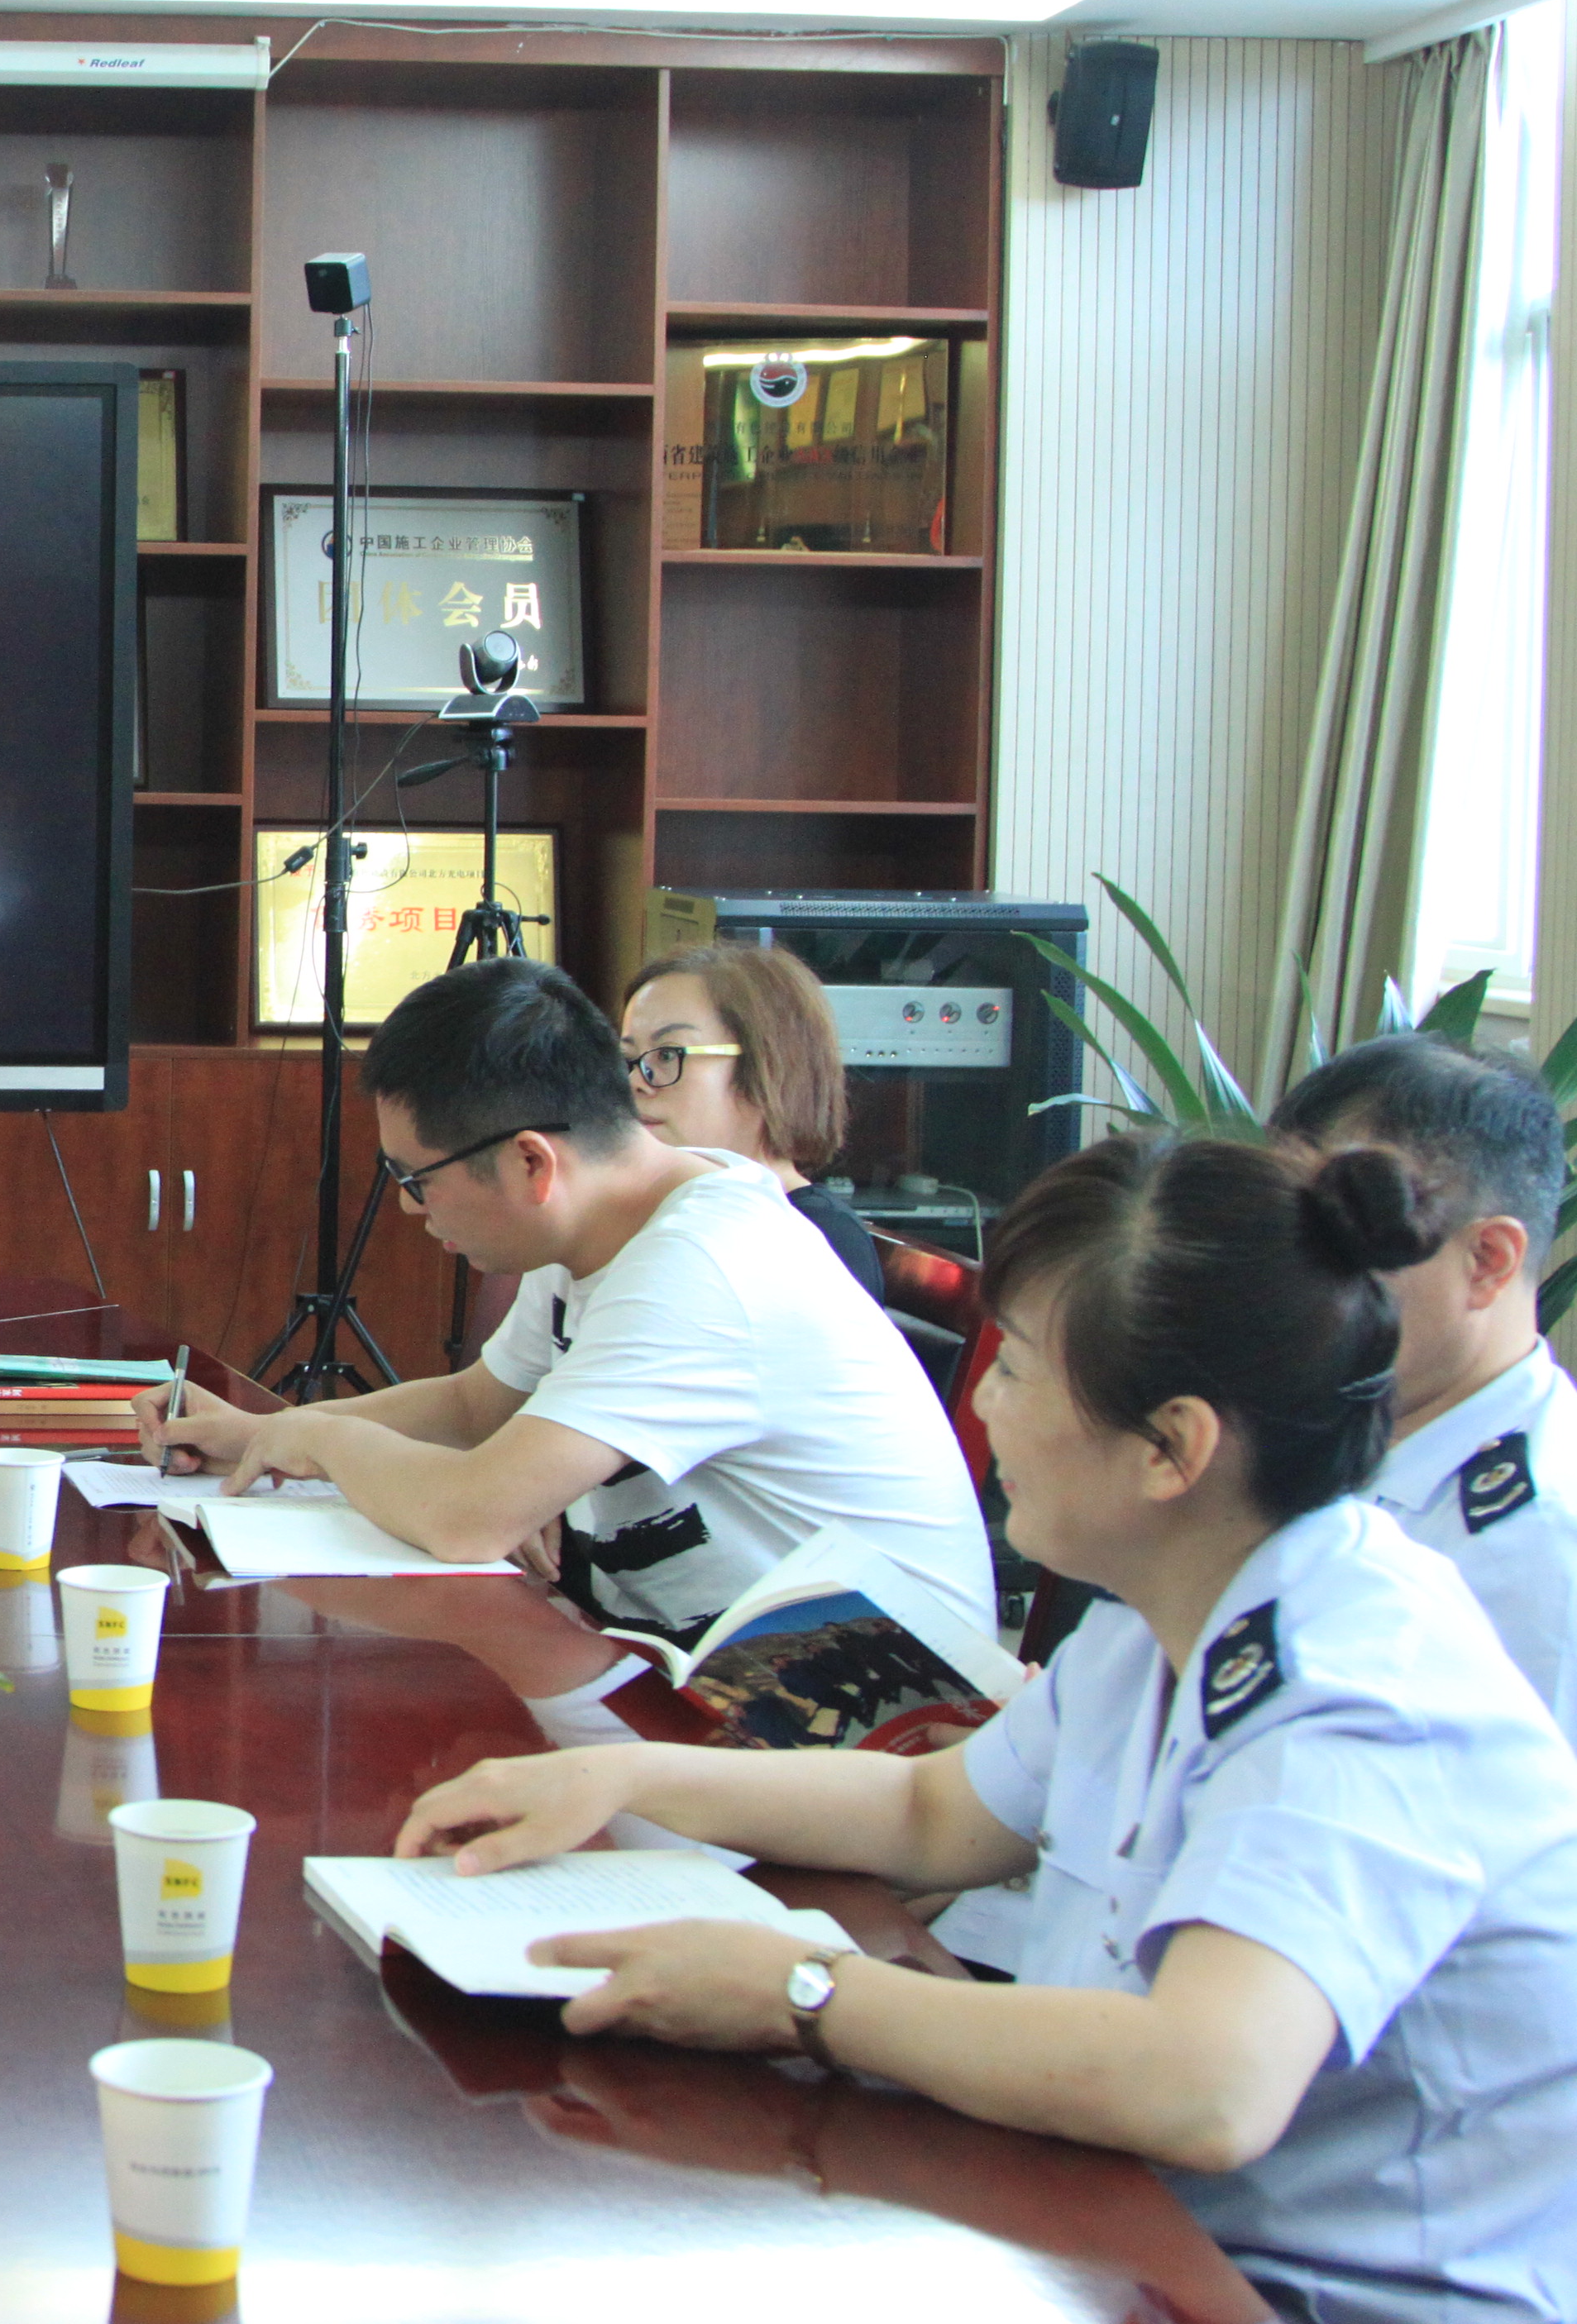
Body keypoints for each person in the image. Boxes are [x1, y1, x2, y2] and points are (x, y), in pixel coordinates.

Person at [397, 1136, 1577, 2322]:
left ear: (1173, 1447)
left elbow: (1206, 2088)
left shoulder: (1365, 1680)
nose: (987, 1405)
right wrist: (619, 1779)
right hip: (1121, 2230)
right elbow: (936, 1809)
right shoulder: (1176, 1605)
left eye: (1017, 1369)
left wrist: (805, 1993)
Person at [149, 959, 989, 1664]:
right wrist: (261, 1433)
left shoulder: (702, 1263)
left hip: (857, 1724)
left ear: (531, 1163)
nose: (408, 1208)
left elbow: (472, 1518)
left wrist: (323, 1439)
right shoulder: (608, 1219)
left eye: (415, 1179)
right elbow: (476, 1407)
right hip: (682, 1672)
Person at [1274, 1029, 1577, 1727]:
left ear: (1488, 1260)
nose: (1295, 1279)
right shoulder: (1316, 1426)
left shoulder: (1537, 1548)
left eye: (1343, 1237)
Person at [621, 941, 880, 1297]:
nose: (635, 1082)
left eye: (666, 1055)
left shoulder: (818, 1238)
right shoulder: (660, 1210)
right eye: (629, 1059)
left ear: (767, 1068)